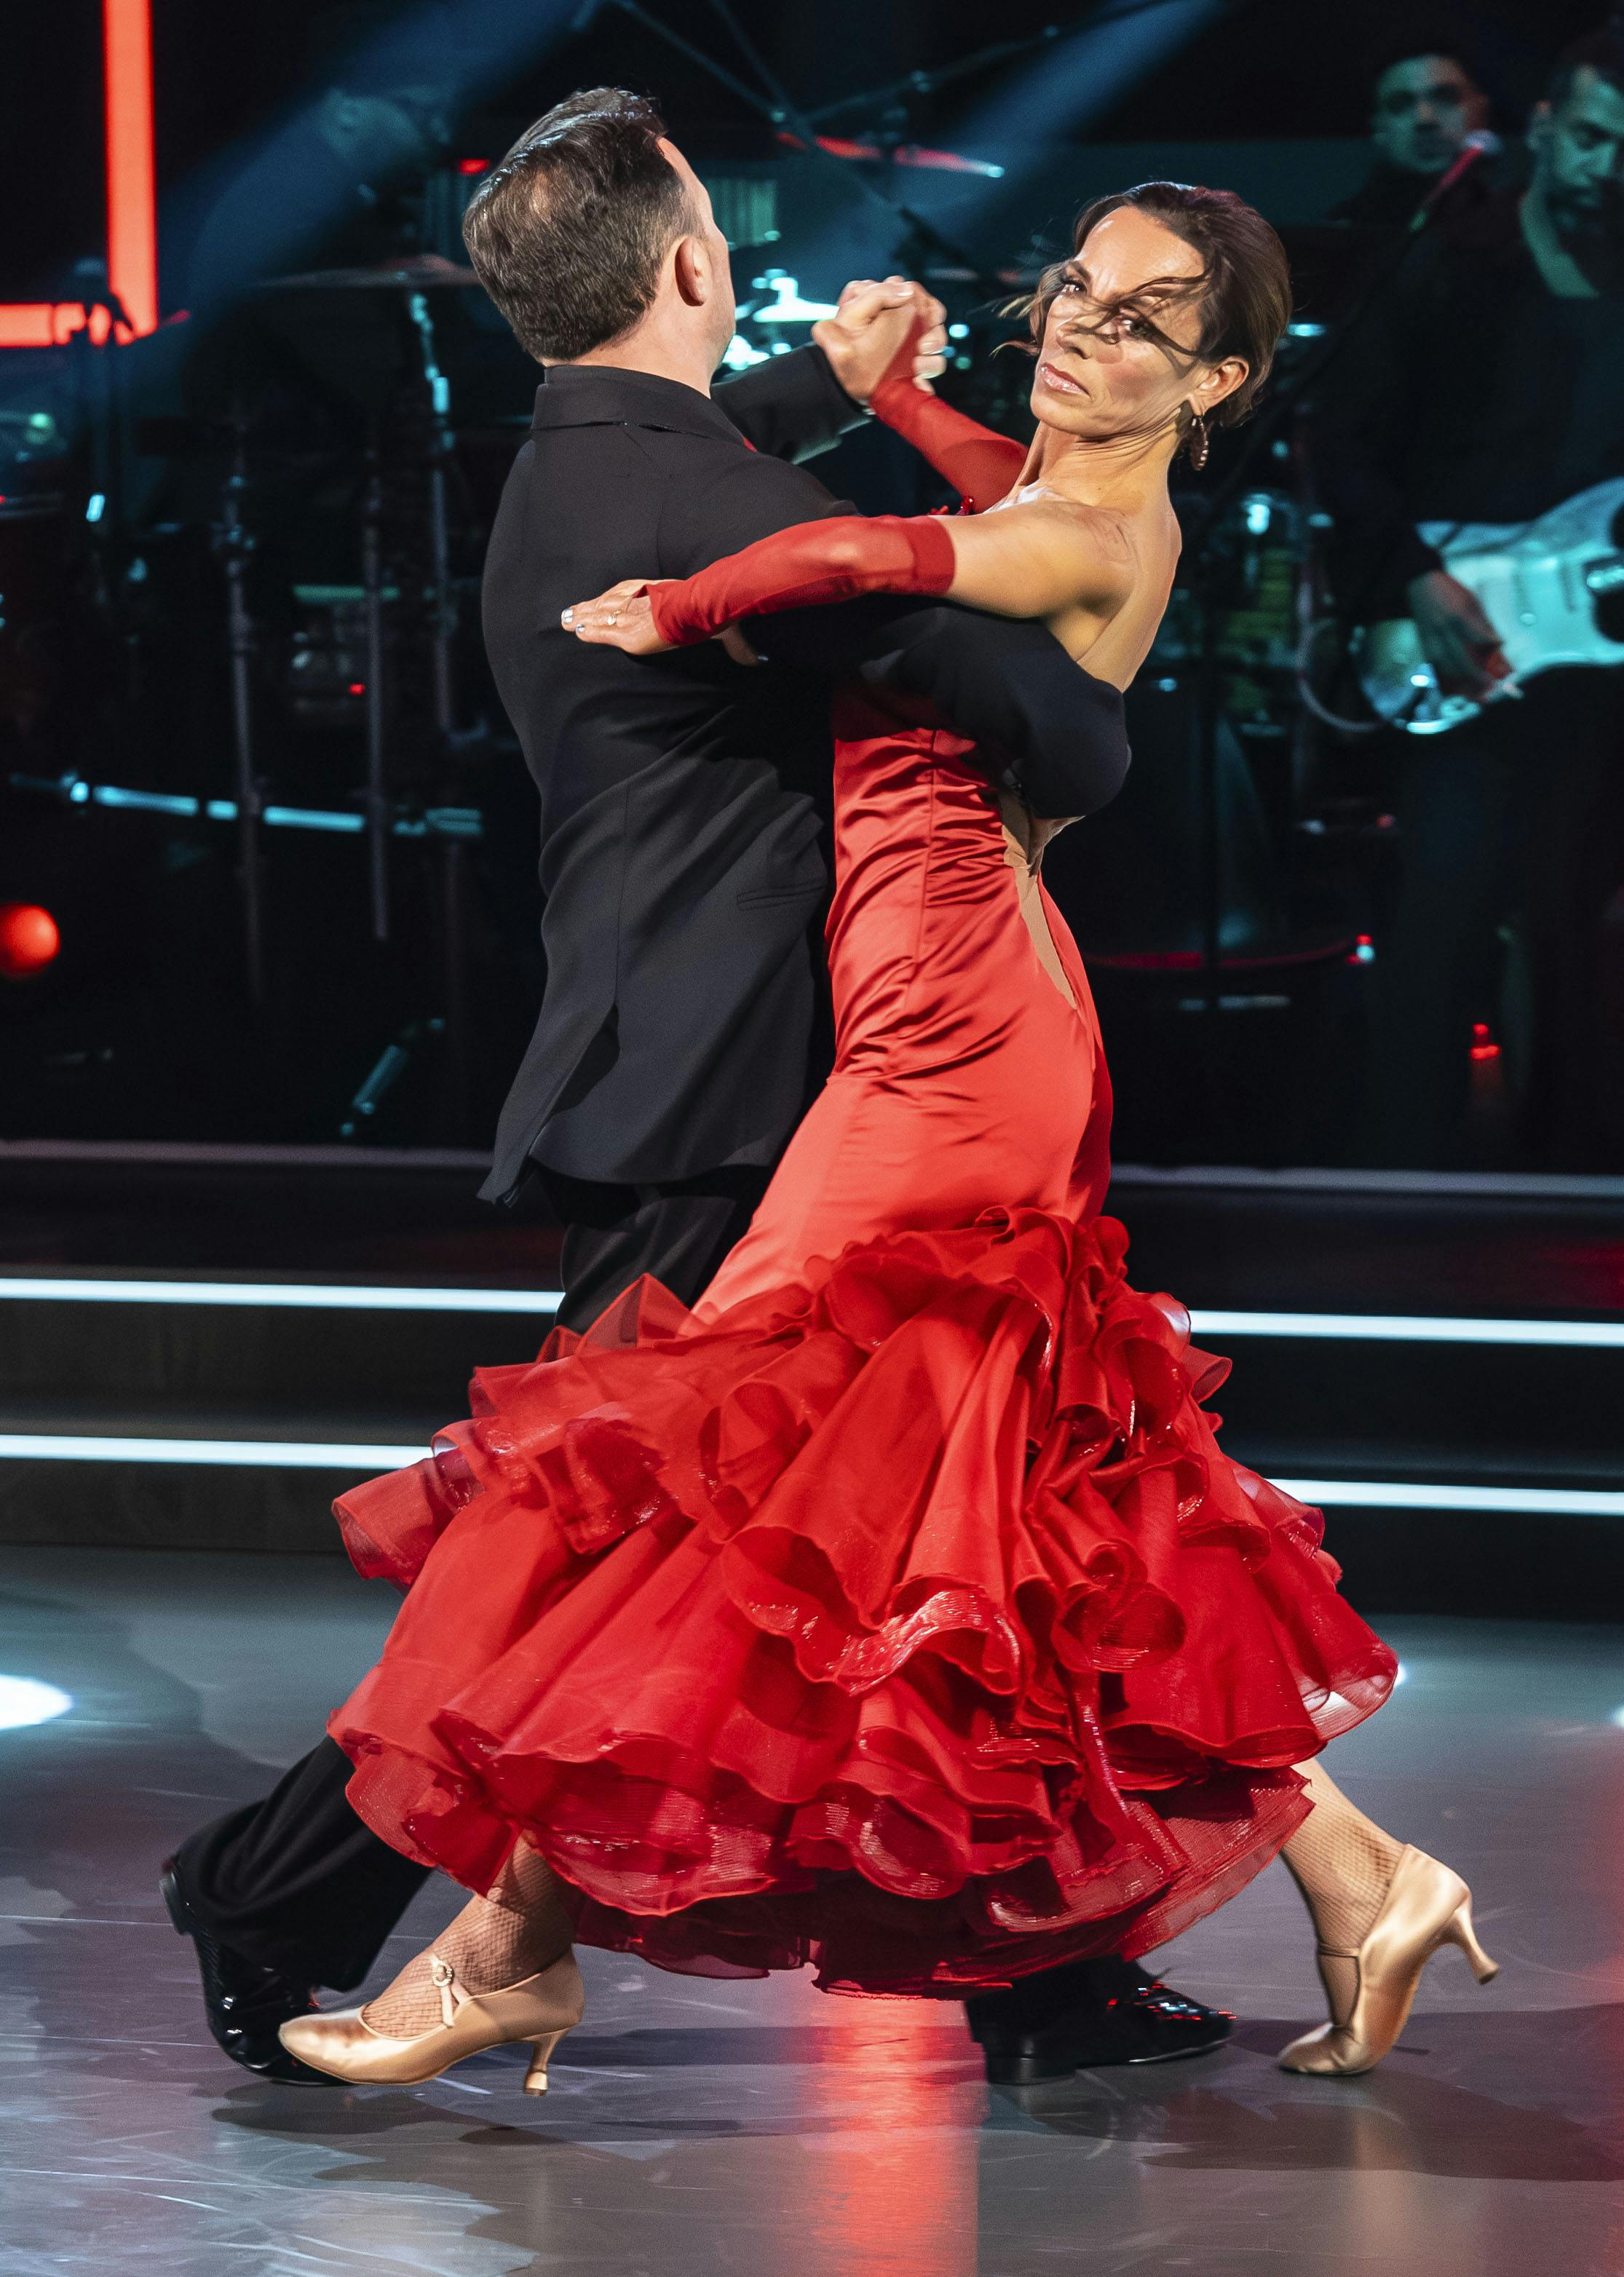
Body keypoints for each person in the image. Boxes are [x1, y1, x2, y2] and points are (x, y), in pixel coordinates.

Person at [279, 181, 1494, 2096]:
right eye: (1074, 290)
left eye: (1140, 318)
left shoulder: (1078, 523)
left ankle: (504, 1951)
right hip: (945, 1013)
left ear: (1221, 378)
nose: (1083, 328)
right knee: (1006, 1522)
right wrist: (912, 389)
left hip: (949, 1041)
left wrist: (679, 604)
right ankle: (1360, 1875)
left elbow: (874, 552)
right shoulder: (1063, 488)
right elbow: (970, 492)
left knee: (713, 1461)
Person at [162, 91, 1225, 2090]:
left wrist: (879, 437)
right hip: (738, 1098)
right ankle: (280, 1891)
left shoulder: (593, 471)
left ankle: (1046, 1974)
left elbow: (822, 550)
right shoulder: (708, 504)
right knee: (569, 1557)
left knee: (934, 1523)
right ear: (688, 270)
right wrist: (1077, 560)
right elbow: (1069, 739)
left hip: (713, 1071)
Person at [1315, 27, 1624, 1167]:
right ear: (1542, 126)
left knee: (1575, 927)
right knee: (1438, 918)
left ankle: (1573, 1180)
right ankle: (1406, 1185)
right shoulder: (1447, 261)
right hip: (1457, 638)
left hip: (1599, 663)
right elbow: (1340, 449)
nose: (1605, 167)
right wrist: (1415, 580)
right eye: (1589, 137)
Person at [1330, 36, 1494, 236]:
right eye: (1400, 104)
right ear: (1380, 128)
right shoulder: (1345, 230)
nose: (1425, 119)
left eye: (1445, 96)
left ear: (1481, 109)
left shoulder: (1529, 214)